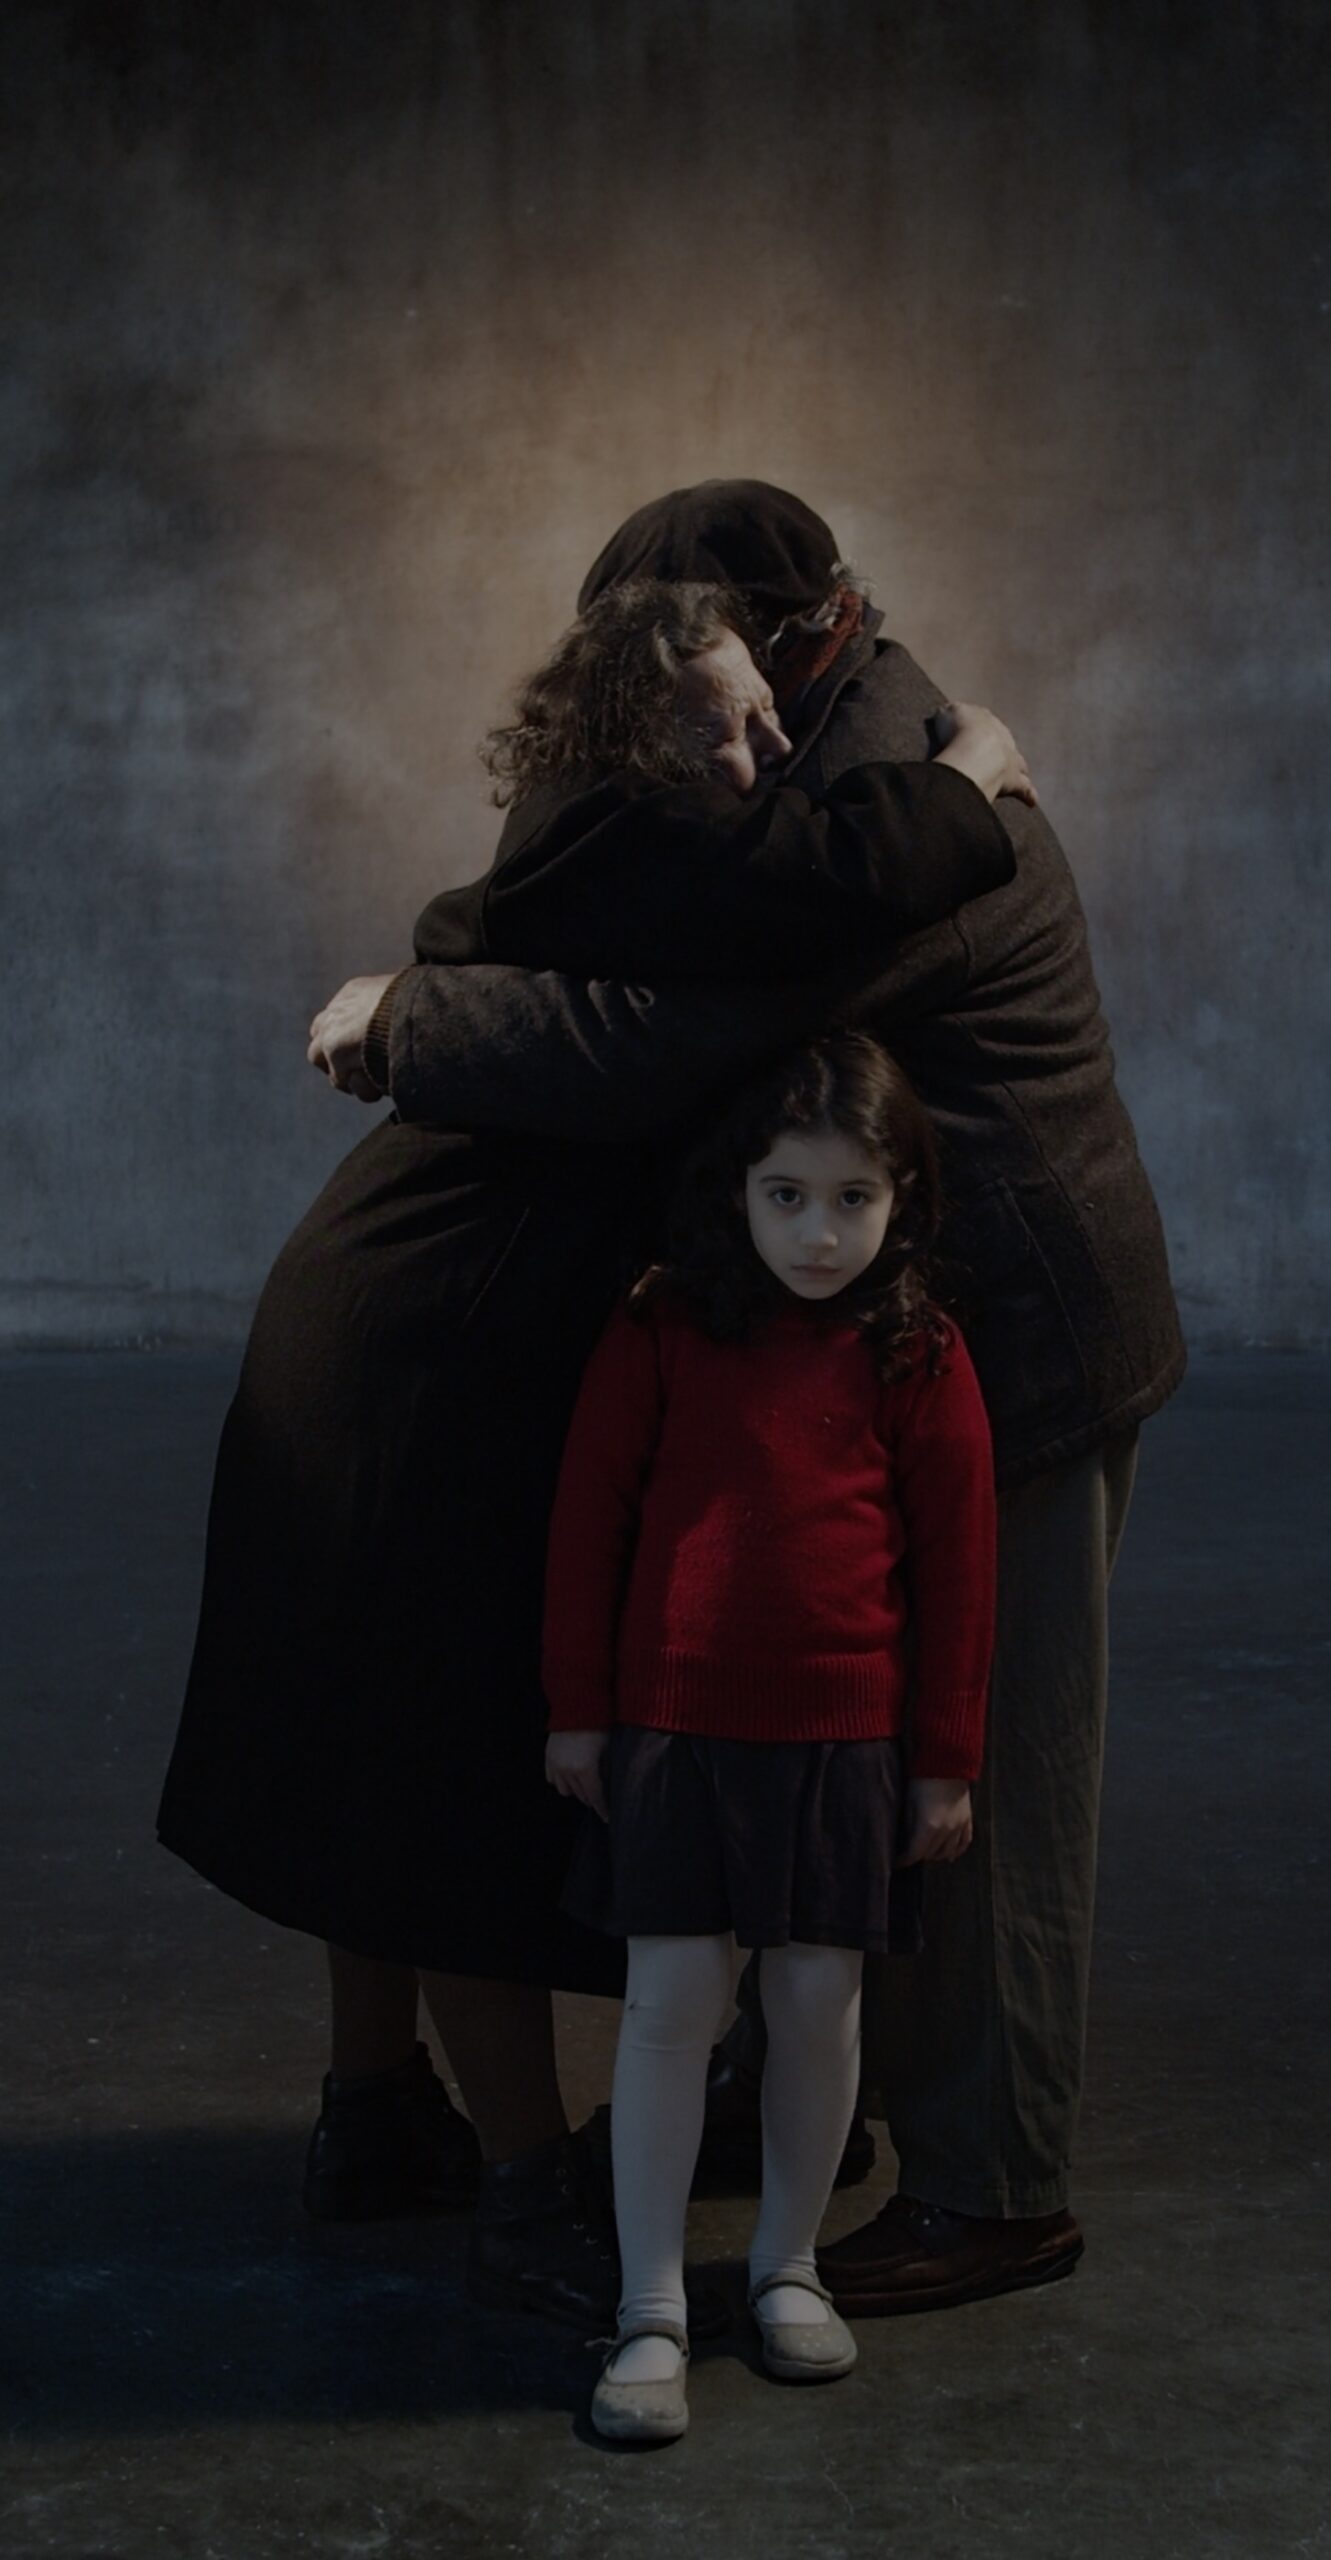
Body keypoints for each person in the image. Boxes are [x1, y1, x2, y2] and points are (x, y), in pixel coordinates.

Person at [308, 480, 1186, 2317]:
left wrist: (410, 1020)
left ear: (799, 638)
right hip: (892, 1323)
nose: (692, 738)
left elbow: (674, 1031)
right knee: (861, 1759)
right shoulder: (794, 778)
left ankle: (995, 2189)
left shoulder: (911, 800)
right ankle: (813, 2099)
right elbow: (611, 906)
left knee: (982, 1783)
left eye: (702, 688)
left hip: (1014, 1335)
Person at [157, 571, 1031, 2329]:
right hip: (424, 1338)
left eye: (763, 721)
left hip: (385, 1301)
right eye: (710, 726)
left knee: (378, 1752)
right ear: (622, 745)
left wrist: (409, 1003)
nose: (753, 759)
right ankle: (521, 2187)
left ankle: (371, 2114)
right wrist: (972, 782)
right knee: (447, 1786)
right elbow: (771, 969)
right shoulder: (661, 859)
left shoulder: (607, 846)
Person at [542, 1033, 996, 2443]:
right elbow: (589, 1519)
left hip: (843, 1744)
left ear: (901, 1200)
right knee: (670, 2007)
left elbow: (960, 1563)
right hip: (675, 1733)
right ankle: (650, 2306)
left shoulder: (917, 1347)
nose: (817, 1233)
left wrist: (944, 1757)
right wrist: (577, 1709)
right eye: (786, 1196)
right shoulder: (664, 1324)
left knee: (813, 2005)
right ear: (736, 1190)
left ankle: (786, 2265)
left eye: (853, 1199)